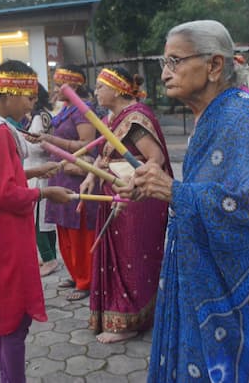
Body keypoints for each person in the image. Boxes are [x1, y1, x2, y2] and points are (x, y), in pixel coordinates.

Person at [117, 20, 249, 382]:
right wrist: (154, 187)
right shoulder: (213, 115)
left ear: (214, 66)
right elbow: (206, 188)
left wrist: (176, 192)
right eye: (164, 63)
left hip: (227, 289)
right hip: (196, 268)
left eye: (175, 61)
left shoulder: (243, 115)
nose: (165, 74)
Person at [0, 60, 73, 383]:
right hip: (8, 240)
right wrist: (45, 194)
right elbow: (4, 194)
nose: (30, 106)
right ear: (9, 94)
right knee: (14, 322)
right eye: (28, 98)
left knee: (6, 322)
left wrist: (35, 172)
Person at [80, 67, 172, 344]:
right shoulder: (114, 119)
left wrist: (136, 182)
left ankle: (130, 320)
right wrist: (90, 177)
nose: (96, 92)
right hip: (117, 193)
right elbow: (104, 155)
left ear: (117, 89)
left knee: (132, 257)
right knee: (118, 257)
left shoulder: (135, 119)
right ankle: (121, 313)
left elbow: (155, 158)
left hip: (137, 199)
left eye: (100, 87)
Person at [34, 65, 98, 301]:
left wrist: (51, 139)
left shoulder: (83, 110)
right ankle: (75, 273)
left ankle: (86, 280)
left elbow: (86, 144)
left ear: (73, 86)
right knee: (65, 230)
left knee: (79, 231)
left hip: (76, 176)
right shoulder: (65, 110)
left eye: (60, 83)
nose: (55, 88)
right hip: (60, 174)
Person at [23, 84, 60, 277]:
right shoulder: (43, 114)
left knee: (38, 220)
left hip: (39, 171)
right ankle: (50, 255)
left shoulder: (39, 116)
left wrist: (21, 139)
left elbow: (39, 146)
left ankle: (49, 258)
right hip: (40, 169)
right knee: (45, 219)